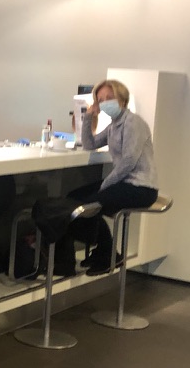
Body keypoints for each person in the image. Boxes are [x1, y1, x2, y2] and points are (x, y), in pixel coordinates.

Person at [68, 78, 158, 275]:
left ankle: (107, 255)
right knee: (73, 198)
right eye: (100, 100)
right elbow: (90, 144)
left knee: (89, 206)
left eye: (109, 98)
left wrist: (106, 185)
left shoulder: (133, 122)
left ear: (122, 99)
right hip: (123, 183)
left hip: (141, 187)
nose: (104, 103)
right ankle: (106, 251)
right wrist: (89, 116)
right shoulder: (113, 126)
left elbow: (129, 161)